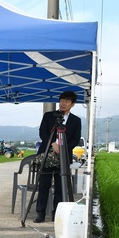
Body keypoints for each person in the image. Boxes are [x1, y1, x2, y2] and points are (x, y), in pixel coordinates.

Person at [33, 90, 82, 223]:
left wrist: (62, 148)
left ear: (72, 104)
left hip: (63, 155)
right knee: (44, 184)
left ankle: (56, 214)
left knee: (60, 186)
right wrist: (53, 144)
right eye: (61, 100)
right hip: (47, 154)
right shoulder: (49, 116)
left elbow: (75, 139)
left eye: (66, 101)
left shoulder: (76, 120)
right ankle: (40, 213)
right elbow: (42, 132)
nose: (63, 103)